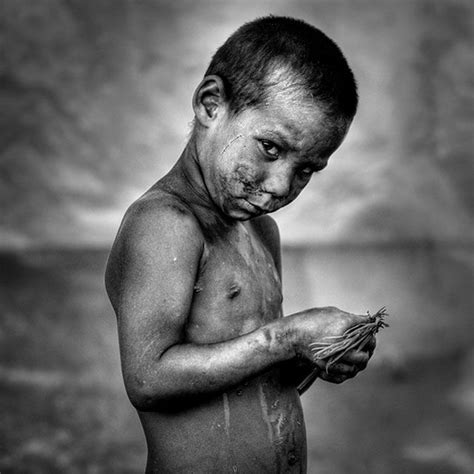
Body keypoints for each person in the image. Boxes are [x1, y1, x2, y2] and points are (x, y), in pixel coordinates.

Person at [105, 15, 375, 473]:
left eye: (307, 169)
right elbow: (148, 378)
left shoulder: (262, 233)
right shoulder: (165, 223)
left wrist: (315, 357)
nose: (280, 186)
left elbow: (256, 383)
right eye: (270, 148)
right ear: (211, 105)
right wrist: (289, 336)